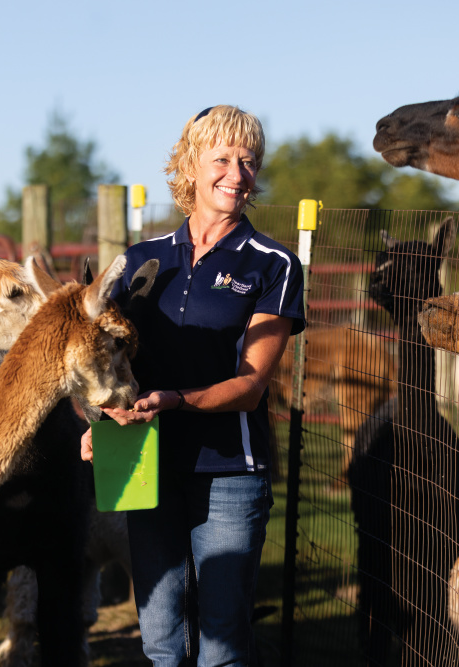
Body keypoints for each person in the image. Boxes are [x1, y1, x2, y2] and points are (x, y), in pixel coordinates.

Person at [80, 105, 305, 666]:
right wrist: (99, 421)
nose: (237, 173)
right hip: (142, 461)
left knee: (222, 641)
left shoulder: (272, 264)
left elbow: (252, 384)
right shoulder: (139, 261)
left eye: (248, 161)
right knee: (160, 640)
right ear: (190, 166)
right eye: (222, 158)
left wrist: (177, 400)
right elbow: (109, 365)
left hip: (230, 470)